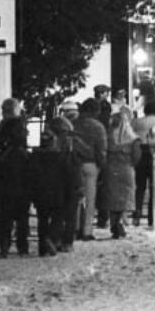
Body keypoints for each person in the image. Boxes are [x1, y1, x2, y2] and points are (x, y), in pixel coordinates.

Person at [29, 117, 79, 256]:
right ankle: (52, 238)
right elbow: (70, 174)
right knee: (59, 216)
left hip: (41, 192)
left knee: (42, 219)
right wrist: (75, 188)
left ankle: (42, 247)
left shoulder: (37, 154)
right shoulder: (64, 155)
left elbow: (32, 173)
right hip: (59, 192)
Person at [0, 116, 31, 257]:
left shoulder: (4, 156)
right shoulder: (25, 156)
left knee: (5, 220)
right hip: (22, 191)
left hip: (6, 191)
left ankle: (5, 246)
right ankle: (22, 247)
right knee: (22, 221)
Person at [67, 99, 108, 242]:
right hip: (91, 164)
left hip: (74, 163)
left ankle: (75, 228)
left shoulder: (73, 124)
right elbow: (102, 150)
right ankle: (87, 230)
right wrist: (102, 166)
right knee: (90, 200)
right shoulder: (98, 127)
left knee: (77, 198)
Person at [101, 110, 141, 240]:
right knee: (124, 198)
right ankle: (121, 222)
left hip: (110, 169)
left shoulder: (107, 137)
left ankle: (114, 224)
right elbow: (136, 157)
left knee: (112, 198)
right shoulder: (133, 139)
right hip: (126, 169)